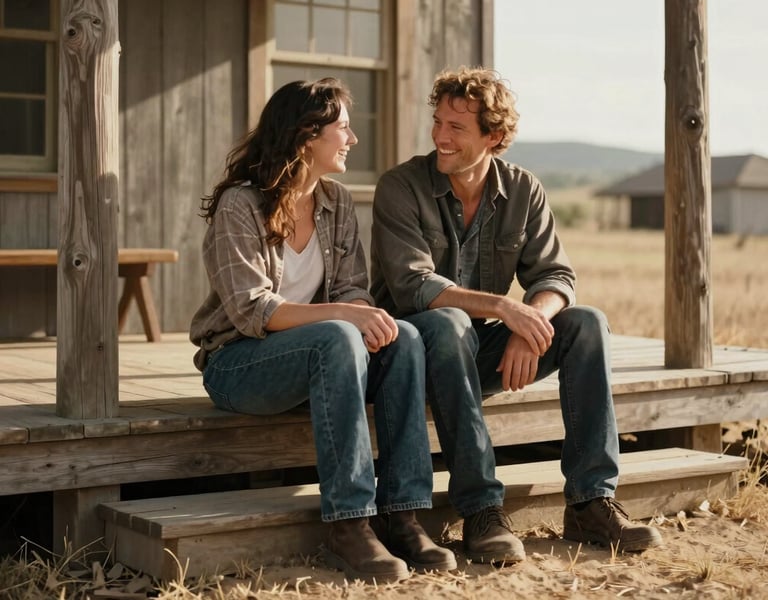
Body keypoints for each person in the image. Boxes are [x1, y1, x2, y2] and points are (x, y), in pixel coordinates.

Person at [370, 65, 663, 564]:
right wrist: (507, 309)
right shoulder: (401, 186)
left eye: (456, 128)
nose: (440, 136)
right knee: (448, 321)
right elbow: (414, 286)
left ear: (495, 137)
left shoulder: (523, 190)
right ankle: (482, 511)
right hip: (406, 357)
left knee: (586, 323)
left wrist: (532, 326)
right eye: (437, 122)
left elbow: (555, 277)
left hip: (472, 351)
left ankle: (591, 501)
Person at [190, 78, 456, 583]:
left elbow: (353, 289)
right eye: (344, 129)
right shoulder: (240, 207)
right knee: (338, 333)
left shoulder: (335, 202)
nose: (352, 140)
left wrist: (365, 315)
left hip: (319, 359)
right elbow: (253, 311)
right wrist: (344, 316)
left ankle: (402, 514)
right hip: (239, 365)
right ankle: (349, 524)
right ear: (307, 135)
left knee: (407, 339)